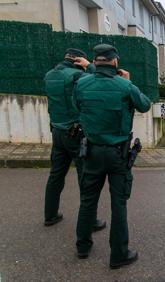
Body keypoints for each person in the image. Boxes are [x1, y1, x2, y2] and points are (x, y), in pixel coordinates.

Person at [74, 44, 151, 269]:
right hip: (118, 154)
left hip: (91, 151)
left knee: (87, 200)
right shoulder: (125, 85)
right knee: (118, 204)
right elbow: (145, 105)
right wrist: (130, 81)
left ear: (95, 61)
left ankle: (82, 246)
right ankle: (118, 255)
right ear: (115, 62)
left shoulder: (81, 84)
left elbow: (76, 105)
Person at [43, 48, 106, 232]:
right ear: (79, 60)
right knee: (85, 177)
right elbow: (99, 80)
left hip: (57, 132)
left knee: (56, 175)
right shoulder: (77, 76)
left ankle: (50, 215)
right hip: (75, 133)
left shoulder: (49, 75)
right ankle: (90, 220)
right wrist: (91, 67)